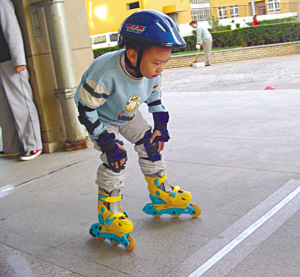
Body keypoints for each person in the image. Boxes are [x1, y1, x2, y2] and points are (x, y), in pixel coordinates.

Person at [75, 10, 201, 251]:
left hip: (126, 113)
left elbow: (155, 98)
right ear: (133, 55)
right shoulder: (105, 73)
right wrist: (105, 140)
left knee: (150, 145)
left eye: (165, 62)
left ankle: (161, 195)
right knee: (116, 158)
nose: (161, 68)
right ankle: (109, 216)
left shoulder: (152, 73)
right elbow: (86, 109)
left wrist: (160, 126)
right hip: (100, 117)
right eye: (156, 62)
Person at [0, 0, 42, 161]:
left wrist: (19, 59)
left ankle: (33, 145)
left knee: (21, 102)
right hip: (2, 62)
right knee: (4, 108)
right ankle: (11, 147)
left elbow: (11, 29)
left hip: (10, 61)